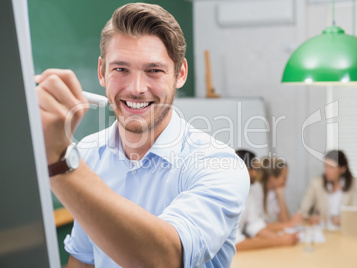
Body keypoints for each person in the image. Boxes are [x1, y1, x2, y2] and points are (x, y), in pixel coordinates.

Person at [35, 3, 249, 267]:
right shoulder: (88, 151)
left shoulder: (220, 165)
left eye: (154, 70)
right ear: (102, 72)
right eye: (121, 69)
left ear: (179, 74)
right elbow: (84, 259)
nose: (136, 89)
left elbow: (167, 258)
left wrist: (59, 163)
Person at [235, 150, 298, 251]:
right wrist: (279, 241)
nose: (258, 173)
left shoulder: (248, 191)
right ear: (245, 169)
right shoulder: (225, 196)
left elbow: (255, 224)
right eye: (255, 169)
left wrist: (283, 238)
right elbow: (235, 243)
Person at [300, 150, 357, 227]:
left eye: (331, 167)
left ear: (342, 169)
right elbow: (302, 211)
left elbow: (356, 212)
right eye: (325, 166)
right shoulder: (316, 183)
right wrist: (309, 218)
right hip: (322, 229)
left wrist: (343, 220)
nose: (327, 171)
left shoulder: (352, 183)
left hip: (343, 229)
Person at [258, 157, 303, 232]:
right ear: (272, 178)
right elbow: (259, 226)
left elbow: (284, 220)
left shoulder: (273, 192)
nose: (286, 180)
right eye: (284, 177)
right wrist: (290, 224)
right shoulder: (257, 192)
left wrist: (280, 194)